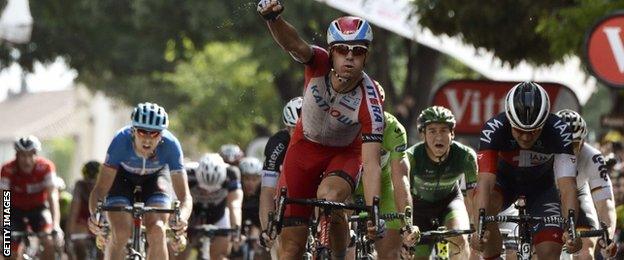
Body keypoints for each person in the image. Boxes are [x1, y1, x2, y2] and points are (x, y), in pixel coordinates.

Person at [257, 0, 392, 258]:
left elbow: (372, 163)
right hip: (304, 147)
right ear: (331, 53)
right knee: (291, 250)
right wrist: (273, 20)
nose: (350, 56)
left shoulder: (371, 100)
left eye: (358, 51)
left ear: (367, 56)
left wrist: (374, 213)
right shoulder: (317, 62)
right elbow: (293, 44)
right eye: (342, 49)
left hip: (344, 154)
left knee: (329, 197)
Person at [470, 82, 582, 259]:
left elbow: (568, 186)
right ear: (509, 119)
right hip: (503, 184)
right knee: (484, 208)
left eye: (534, 131)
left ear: (544, 122)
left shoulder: (559, 131)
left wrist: (571, 229)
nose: (525, 136)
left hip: (542, 189)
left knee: (549, 253)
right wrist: (479, 229)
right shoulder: (494, 128)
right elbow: (484, 183)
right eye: (519, 130)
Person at [87, 102, 193, 260]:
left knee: (157, 230)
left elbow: (185, 197)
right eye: (142, 132)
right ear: (133, 130)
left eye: (155, 134)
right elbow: (100, 189)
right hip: (122, 178)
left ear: (162, 134)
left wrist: (182, 218)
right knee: (120, 232)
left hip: (155, 178)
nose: (148, 139)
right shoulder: (120, 141)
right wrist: (95, 216)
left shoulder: (171, 145)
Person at [403, 106, 475, 260]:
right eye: (432, 131)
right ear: (423, 135)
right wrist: (406, 226)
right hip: (419, 209)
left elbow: (473, 195)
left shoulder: (466, 156)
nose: (439, 137)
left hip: (450, 202)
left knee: (460, 239)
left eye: (444, 130)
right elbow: (402, 192)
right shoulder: (411, 157)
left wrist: (477, 226)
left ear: (452, 133)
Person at [556, 109, 618, 259]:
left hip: (578, 193)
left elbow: (605, 202)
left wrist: (607, 236)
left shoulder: (593, 157)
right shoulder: (541, 154)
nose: (568, 149)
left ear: (583, 141)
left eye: (574, 144)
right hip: (546, 195)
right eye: (563, 143)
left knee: (586, 251)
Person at [352, 111, 412, 260]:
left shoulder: (394, 129)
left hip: (383, 187)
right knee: (343, 246)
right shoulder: (345, 125)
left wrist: (407, 224)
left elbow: (401, 180)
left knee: (390, 254)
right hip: (350, 183)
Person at [1, 136, 64, 259]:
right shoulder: (7, 169)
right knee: (8, 249)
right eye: (22, 155)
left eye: (30, 155)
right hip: (14, 211)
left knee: (49, 242)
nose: (27, 160)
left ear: (36, 155)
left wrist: (56, 224)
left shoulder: (46, 167)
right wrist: (3, 224)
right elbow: (4, 199)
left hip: (39, 210)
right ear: (16, 155)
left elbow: (52, 196)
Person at [172, 154, 243, 260]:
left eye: (214, 190)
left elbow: (235, 205)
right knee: (178, 253)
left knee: (220, 255)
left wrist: (236, 228)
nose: (208, 193)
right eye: (203, 189)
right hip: (191, 217)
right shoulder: (187, 173)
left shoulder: (231, 174)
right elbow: (175, 202)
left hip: (218, 216)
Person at [68, 160, 102, 260]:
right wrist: (69, 237)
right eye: (88, 181)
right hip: (84, 218)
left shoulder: (107, 184)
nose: (91, 185)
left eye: (95, 182)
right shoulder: (79, 186)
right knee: (79, 243)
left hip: (102, 217)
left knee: (103, 247)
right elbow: (73, 212)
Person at [238, 156, 267, 259]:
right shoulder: (235, 190)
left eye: (255, 179)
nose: (250, 183)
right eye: (246, 178)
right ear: (240, 178)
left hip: (257, 220)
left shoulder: (264, 191)